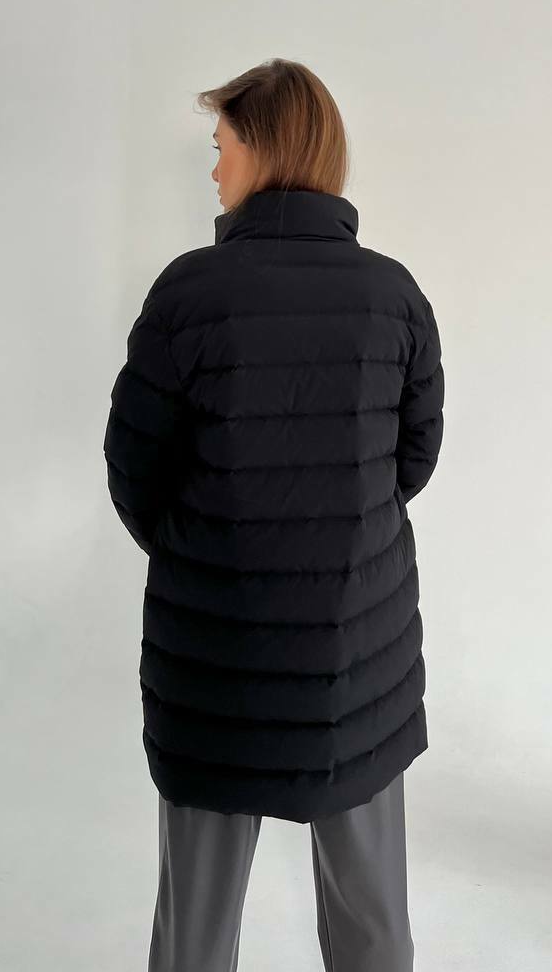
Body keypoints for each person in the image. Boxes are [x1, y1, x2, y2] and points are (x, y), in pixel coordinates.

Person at [103, 58, 445, 972]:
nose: (215, 170)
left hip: (216, 660)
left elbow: (134, 467)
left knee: (194, 933)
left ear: (264, 148)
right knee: (374, 926)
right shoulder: (393, 296)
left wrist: (208, 551)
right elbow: (413, 459)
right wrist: (338, 532)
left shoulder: (190, 293)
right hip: (355, 665)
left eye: (222, 146)